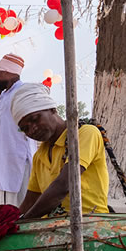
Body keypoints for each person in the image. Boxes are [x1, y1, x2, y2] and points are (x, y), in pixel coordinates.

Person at [11, 83, 111, 218]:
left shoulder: (85, 133)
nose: (32, 129)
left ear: (52, 109)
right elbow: (30, 200)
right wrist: (9, 223)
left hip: (90, 224)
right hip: (53, 227)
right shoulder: (39, 156)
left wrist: (25, 220)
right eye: (25, 129)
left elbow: (64, 185)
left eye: (35, 119)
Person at [0, 54, 36, 213]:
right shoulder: (5, 96)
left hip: (18, 161)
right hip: (0, 160)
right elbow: (0, 134)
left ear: (8, 73)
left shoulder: (22, 92)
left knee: (17, 205)